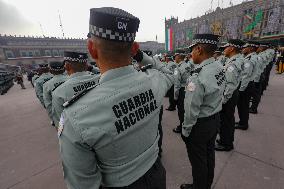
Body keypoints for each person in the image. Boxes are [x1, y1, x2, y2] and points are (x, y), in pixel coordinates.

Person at [58, 7, 175, 189]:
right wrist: (140, 56)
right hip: (156, 173)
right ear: (134, 48)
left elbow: (82, 184)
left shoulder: (76, 115)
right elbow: (167, 71)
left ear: (91, 49)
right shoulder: (153, 81)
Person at [180, 34, 225, 189]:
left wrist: (186, 131)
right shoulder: (219, 67)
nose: (190, 54)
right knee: (209, 155)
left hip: (200, 125)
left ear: (198, 49)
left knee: (198, 160)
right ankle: (206, 184)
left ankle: (199, 186)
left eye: (192, 50)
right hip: (215, 118)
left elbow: (191, 109)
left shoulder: (197, 76)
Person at [52, 51, 100, 127]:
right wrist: (92, 68)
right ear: (87, 65)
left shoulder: (59, 92)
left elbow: (61, 124)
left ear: (67, 66)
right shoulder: (101, 77)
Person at [215, 39, 245, 152]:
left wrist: (224, 99)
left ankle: (226, 143)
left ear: (232, 48)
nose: (224, 49)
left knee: (226, 119)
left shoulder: (232, 63)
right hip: (232, 93)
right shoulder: (235, 60)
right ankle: (225, 139)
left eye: (226, 47)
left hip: (229, 94)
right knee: (228, 119)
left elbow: (230, 84)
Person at [235, 41, 259, 130]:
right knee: (242, 105)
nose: (243, 49)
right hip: (248, 84)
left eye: (245, 47)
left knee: (243, 106)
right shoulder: (249, 57)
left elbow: (246, 76)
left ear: (251, 48)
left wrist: (241, 89)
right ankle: (242, 121)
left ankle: (243, 124)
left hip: (246, 85)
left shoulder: (249, 60)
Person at [172, 50, 194, 133]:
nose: (174, 58)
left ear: (178, 56)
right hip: (189, 88)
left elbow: (176, 84)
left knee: (181, 110)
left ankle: (182, 126)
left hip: (182, 90)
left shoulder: (178, 68)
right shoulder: (188, 65)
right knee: (187, 109)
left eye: (175, 56)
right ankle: (187, 124)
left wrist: (175, 96)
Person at [43, 61, 67, 127]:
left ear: (50, 70)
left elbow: (48, 104)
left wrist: (53, 119)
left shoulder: (47, 85)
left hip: (60, 115)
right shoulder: (71, 78)